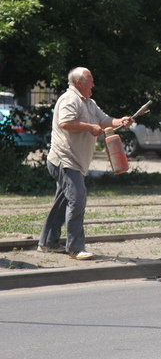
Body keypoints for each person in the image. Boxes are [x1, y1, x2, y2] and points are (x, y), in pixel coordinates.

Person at [38, 67, 133, 260]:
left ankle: (47, 243)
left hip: (75, 161)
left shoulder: (89, 102)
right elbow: (65, 123)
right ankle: (75, 248)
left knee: (63, 202)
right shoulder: (69, 99)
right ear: (79, 83)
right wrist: (90, 127)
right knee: (77, 199)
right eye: (90, 80)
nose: (93, 84)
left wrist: (120, 121)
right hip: (64, 160)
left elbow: (105, 120)